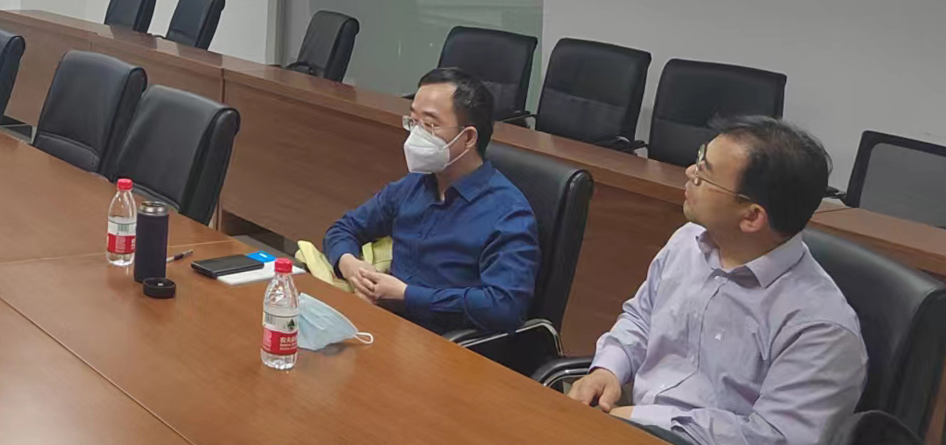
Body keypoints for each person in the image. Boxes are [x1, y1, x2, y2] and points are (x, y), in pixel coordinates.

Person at [568, 116, 866, 445]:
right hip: (627, 426)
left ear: (752, 216)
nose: (689, 173)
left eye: (705, 173)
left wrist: (644, 420)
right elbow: (641, 319)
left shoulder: (821, 328)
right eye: (699, 159)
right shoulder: (688, 241)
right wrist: (609, 369)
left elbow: (773, 437)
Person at [323, 66, 540, 334]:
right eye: (413, 122)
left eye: (429, 125)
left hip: (447, 342)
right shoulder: (414, 185)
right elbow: (343, 228)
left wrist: (407, 294)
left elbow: (504, 307)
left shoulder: (507, 213)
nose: (416, 135)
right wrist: (350, 265)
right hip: (387, 324)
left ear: (468, 137)